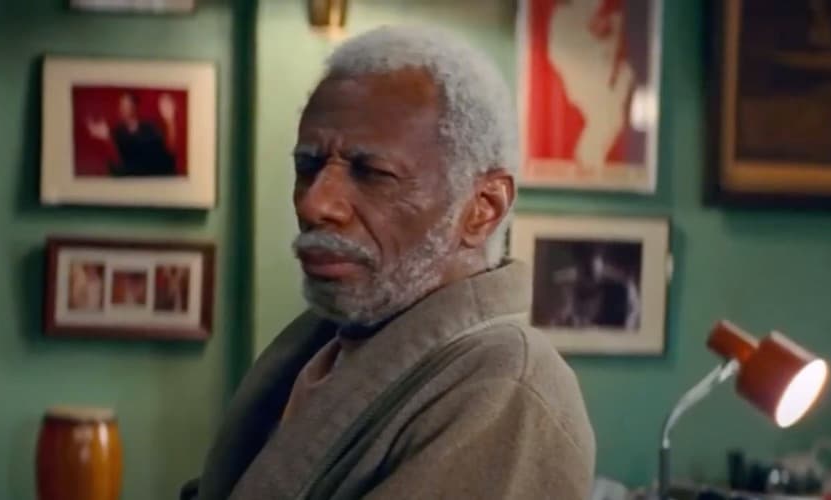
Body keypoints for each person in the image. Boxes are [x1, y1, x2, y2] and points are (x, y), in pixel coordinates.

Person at [182, 25, 596, 500]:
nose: (316, 203)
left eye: (373, 173)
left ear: (483, 208)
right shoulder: (325, 343)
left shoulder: (508, 388)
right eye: (307, 167)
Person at [85, 92, 178, 176]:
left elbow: (167, 156)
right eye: (121, 105)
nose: (123, 109)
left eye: (127, 105)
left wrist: (170, 121)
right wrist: (107, 139)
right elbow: (119, 166)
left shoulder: (150, 128)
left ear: (135, 107)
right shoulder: (116, 133)